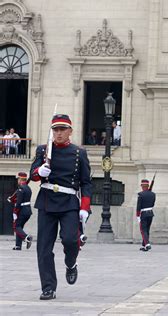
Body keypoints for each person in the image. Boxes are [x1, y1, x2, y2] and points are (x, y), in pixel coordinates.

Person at [30, 114, 92, 300]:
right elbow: (32, 175)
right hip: (47, 201)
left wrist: (84, 207)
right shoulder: (43, 151)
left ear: (70, 131)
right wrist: (39, 172)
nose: (58, 133)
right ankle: (48, 287)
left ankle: (70, 263)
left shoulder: (79, 153)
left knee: (70, 240)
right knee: (43, 248)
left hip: (69, 202)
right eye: (55, 129)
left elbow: (86, 182)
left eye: (62, 129)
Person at [10, 172, 33, 250]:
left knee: (16, 226)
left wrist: (15, 212)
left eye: (18, 179)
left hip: (22, 211)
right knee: (19, 227)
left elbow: (19, 202)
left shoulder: (21, 188)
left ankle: (27, 238)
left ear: (20, 179)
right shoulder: (28, 188)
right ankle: (18, 246)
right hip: (28, 211)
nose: (17, 181)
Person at [136, 179, 155, 251]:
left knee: (143, 230)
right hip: (150, 213)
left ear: (142, 186)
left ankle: (147, 244)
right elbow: (152, 204)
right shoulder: (153, 194)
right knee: (147, 229)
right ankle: (144, 245)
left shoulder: (140, 194)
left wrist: (138, 216)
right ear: (148, 186)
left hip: (143, 214)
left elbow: (138, 206)